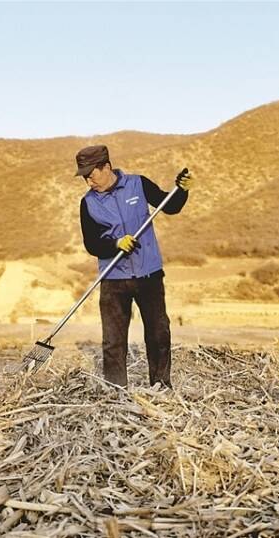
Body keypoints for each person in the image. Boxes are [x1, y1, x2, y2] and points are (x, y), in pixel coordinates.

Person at [74, 144, 193, 388]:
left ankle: (161, 386)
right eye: (84, 177)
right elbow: (92, 244)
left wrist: (181, 191)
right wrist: (115, 243)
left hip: (149, 274)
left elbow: (169, 205)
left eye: (91, 174)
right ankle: (116, 390)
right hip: (114, 278)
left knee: (159, 334)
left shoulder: (138, 184)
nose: (88, 182)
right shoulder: (88, 204)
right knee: (113, 341)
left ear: (106, 167)